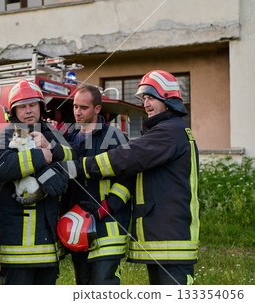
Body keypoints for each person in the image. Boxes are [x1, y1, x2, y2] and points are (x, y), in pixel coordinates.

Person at [81, 70, 200, 285]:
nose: (146, 104)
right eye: (144, 98)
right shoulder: (169, 130)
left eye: (152, 98)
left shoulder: (169, 132)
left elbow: (126, 158)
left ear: (169, 100)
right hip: (164, 238)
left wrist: (81, 166)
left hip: (171, 240)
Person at [0, 79, 72, 285]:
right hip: (16, 247)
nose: (28, 111)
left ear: (41, 107)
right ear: (14, 111)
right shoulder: (9, 133)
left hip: (47, 247)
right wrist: (41, 157)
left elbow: (73, 160)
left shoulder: (52, 134)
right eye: (22, 106)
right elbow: (2, 168)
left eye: (32, 105)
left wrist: (51, 150)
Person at [61, 85, 133, 285]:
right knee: (83, 285)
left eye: (83, 107)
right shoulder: (69, 138)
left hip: (107, 227)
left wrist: (106, 207)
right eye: (75, 106)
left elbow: (128, 179)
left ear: (97, 109)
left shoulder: (114, 137)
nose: (77, 112)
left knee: (103, 286)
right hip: (78, 228)